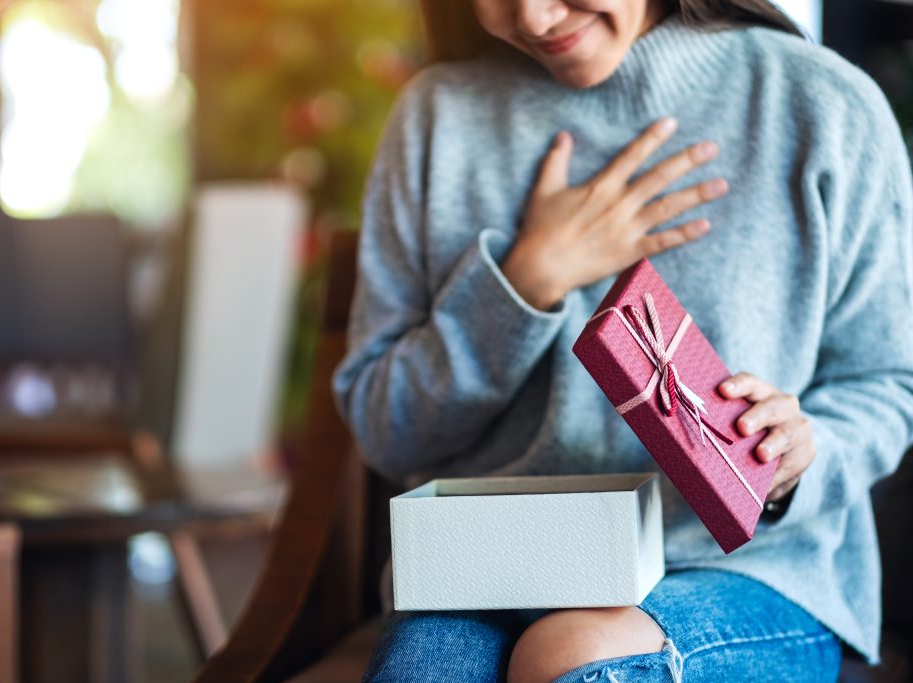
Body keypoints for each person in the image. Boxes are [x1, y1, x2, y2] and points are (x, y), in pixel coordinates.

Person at [331, 0, 913, 680]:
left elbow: (889, 385)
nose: (537, 17)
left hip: (751, 571)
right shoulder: (438, 117)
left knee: (576, 659)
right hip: (485, 569)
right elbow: (386, 427)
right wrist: (524, 281)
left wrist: (795, 458)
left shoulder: (820, 102)